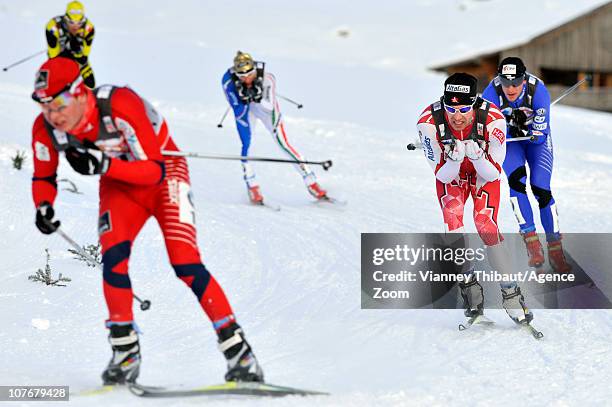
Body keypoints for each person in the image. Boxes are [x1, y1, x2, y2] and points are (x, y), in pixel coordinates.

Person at [30, 57, 264, 385]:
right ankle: (124, 354)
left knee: (185, 263)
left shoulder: (119, 104)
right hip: (119, 186)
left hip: (165, 177)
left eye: (59, 104)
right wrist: (43, 206)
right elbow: (43, 176)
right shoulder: (45, 129)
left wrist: (104, 165)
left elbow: (155, 169)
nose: (54, 116)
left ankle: (240, 353)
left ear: (80, 93)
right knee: (113, 261)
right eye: (45, 107)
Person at [417, 72, 533, 324]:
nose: (457, 117)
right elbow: (443, 176)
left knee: (485, 223)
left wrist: (479, 156)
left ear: (475, 103)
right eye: (451, 108)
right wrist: (453, 159)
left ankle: (511, 293)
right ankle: (470, 289)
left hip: (483, 174)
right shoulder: (428, 122)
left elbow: (493, 172)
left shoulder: (493, 119)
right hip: (452, 174)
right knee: (453, 224)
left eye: (464, 109)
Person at [482, 57, 570, 273]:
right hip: (511, 143)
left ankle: (555, 246)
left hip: (535, 142)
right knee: (516, 183)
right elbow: (488, 132)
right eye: (505, 82)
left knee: (540, 187)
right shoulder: (490, 94)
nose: (510, 88)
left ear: (524, 79)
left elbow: (539, 137)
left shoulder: (537, 90)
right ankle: (531, 242)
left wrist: (524, 125)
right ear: (499, 79)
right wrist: (505, 127)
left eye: (516, 82)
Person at [222, 51, 327, 204]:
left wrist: (257, 96)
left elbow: (269, 107)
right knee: (246, 146)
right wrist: (244, 99)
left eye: (249, 74)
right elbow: (237, 109)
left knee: (284, 144)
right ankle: (252, 186)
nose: (246, 79)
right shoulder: (227, 81)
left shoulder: (267, 78)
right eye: (241, 76)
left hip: (266, 111)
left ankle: (311, 182)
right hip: (245, 111)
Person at [45, 1, 96, 88]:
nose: (75, 27)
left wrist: (78, 52)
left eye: (79, 23)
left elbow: (85, 56)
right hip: (59, 54)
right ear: (65, 19)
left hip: (77, 55)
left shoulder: (89, 29)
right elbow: (53, 56)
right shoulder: (53, 26)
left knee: (91, 84)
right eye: (71, 22)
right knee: (58, 80)